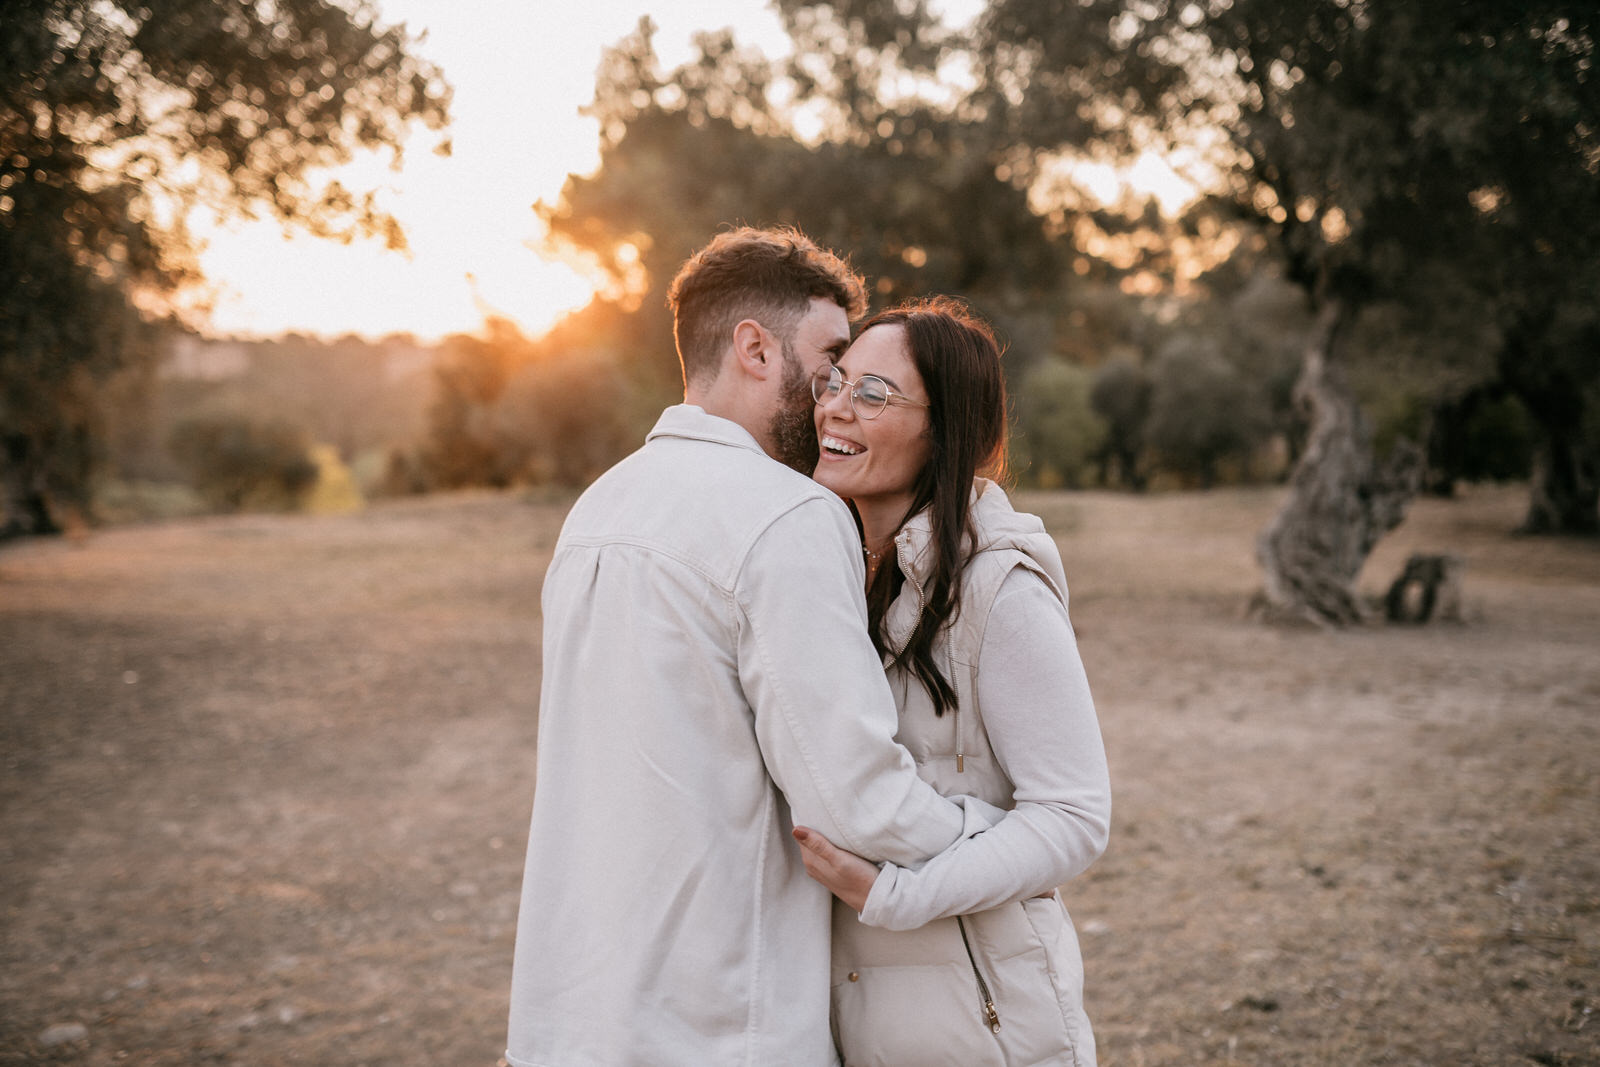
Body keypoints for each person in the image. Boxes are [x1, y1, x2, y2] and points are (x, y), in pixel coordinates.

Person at [504, 229, 1000, 1067]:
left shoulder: (596, 509)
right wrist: (995, 832)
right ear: (755, 348)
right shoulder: (787, 515)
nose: (837, 392)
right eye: (830, 360)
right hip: (717, 1027)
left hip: (565, 1025)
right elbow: (857, 802)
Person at [794, 297, 1112, 1066]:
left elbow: (1074, 816)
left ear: (943, 431)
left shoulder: (1000, 591)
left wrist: (900, 895)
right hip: (863, 1022)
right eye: (836, 381)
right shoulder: (825, 578)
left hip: (988, 1028)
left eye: (874, 393)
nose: (836, 407)